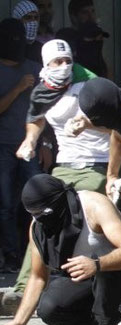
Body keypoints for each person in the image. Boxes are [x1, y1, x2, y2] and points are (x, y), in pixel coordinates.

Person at [2, 39, 109, 314]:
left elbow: (120, 126)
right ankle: (25, 288)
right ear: (45, 65)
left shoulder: (91, 85)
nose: (63, 68)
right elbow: (36, 117)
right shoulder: (42, 90)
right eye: (56, 63)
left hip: (97, 163)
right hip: (64, 164)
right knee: (41, 216)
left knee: (72, 214)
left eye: (67, 62)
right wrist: (30, 140)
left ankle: (91, 287)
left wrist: (89, 124)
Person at [0, 174, 121, 325]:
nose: (40, 219)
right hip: (82, 280)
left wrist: (96, 264)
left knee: (103, 274)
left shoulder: (94, 205)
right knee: (49, 308)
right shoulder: (38, 225)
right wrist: (19, 322)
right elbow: (38, 277)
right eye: (34, 214)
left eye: (44, 213)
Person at [0, 18, 42, 273]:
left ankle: (37, 255)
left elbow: (45, 110)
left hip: (32, 146)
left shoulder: (35, 68)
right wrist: (18, 88)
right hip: (3, 146)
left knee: (37, 202)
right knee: (5, 205)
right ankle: (13, 256)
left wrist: (45, 142)